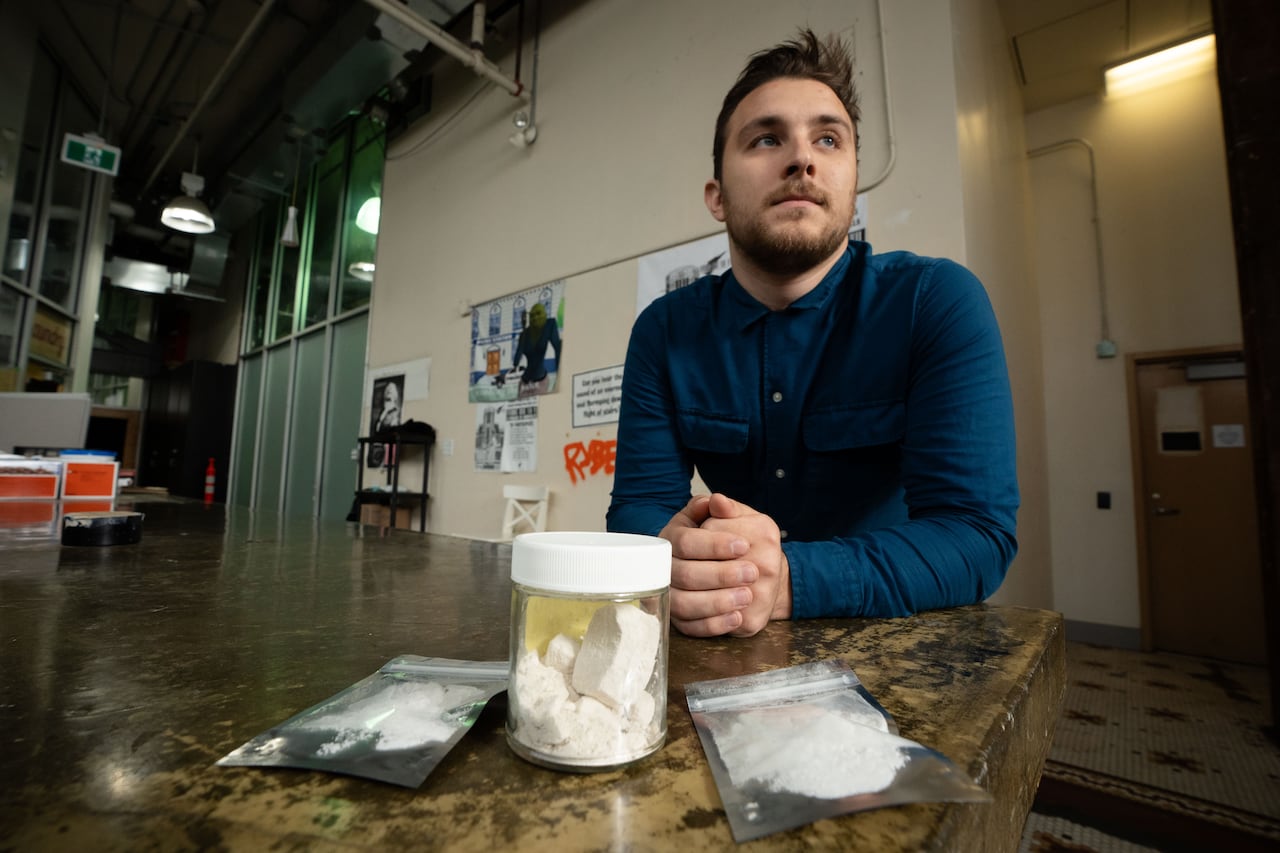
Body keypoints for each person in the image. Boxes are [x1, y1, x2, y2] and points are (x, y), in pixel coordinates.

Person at [606, 30, 1018, 639]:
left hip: (896, 635)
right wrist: (676, 558)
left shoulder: (936, 301)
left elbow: (975, 534)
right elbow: (638, 510)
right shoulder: (663, 331)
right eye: (766, 138)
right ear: (717, 197)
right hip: (720, 630)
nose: (802, 159)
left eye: (828, 139)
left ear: (852, 184)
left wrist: (789, 581)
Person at [510, 302, 562, 398]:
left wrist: (560, 375)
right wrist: (523, 330)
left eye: (538, 314)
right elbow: (517, 359)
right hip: (525, 382)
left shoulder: (549, 325)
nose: (535, 318)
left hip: (540, 380)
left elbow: (558, 348)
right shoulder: (524, 334)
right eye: (532, 315)